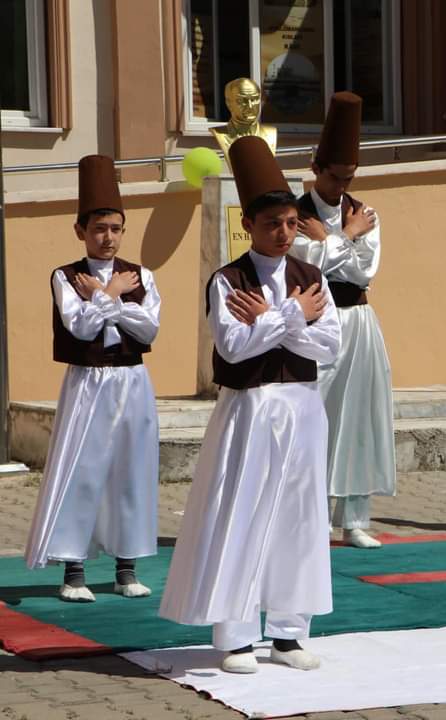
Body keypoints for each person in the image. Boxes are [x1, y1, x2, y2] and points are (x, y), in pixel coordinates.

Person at [159, 136, 341, 673]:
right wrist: (290, 318)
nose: (284, 234)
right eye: (271, 225)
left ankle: (289, 631)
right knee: (241, 509)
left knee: (299, 516)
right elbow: (234, 347)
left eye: (290, 223)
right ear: (250, 228)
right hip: (251, 407)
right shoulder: (228, 280)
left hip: (303, 404)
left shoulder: (314, 278)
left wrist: (273, 320)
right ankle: (236, 634)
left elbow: (329, 346)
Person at [24, 155, 161, 603]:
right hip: (88, 381)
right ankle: (74, 568)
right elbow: (79, 327)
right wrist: (111, 300)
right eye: (99, 228)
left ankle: (126, 567)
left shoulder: (141, 276)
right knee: (82, 470)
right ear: (81, 231)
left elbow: (148, 329)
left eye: (116, 229)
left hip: (131, 381)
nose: (108, 238)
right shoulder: (64, 277)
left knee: (131, 470)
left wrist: (106, 298)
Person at [291, 91, 395, 550]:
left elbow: (364, 271)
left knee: (359, 417)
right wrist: (346, 239)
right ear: (316, 169)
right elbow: (306, 264)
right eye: (335, 177)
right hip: (316, 324)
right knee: (316, 414)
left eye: (349, 177)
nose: (341, 186)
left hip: (359, 320)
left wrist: (334, 238)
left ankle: (354, 517)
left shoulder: (365, 214)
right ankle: (308, 514)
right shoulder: (292, 215)